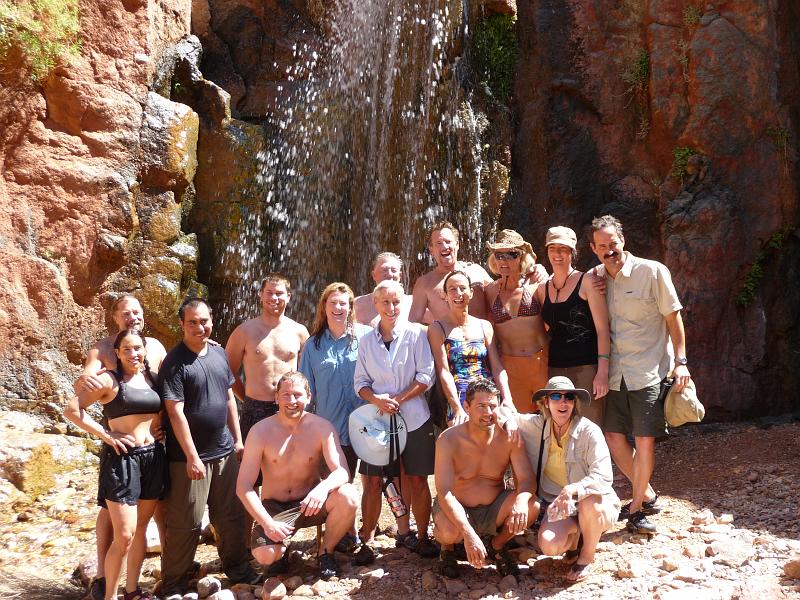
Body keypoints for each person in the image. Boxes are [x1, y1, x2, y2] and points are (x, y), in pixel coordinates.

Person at [590, 215, 691, 534]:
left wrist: (682, 361)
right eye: (602, 246)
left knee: (645, 440)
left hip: (648, 371)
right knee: (613, 437)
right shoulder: (597, 279)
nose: (610, 251)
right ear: (594, 249)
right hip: (617, 372)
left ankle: (634, 508)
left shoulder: (653, 272)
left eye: (613, 244)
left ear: (624, 241)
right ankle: (645, 493)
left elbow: (674, 319)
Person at [158, 298, 260, 597]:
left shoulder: (217, 353)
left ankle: (239, 569)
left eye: (204, 321)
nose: (199, 327)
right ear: (182, 324)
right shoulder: (174, 362)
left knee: (230, 515)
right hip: (189, 458)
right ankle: (175, 582)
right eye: (192, 322)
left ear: (211, 321)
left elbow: (229, 397)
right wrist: (191, 456)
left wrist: (238, 440)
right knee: (186, 522)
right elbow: (174, 412)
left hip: (224, 451)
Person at [70, 295, 167, 600]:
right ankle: (107, 589)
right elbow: (73, 408)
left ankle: (132, 590)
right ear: (117, 352)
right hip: (123, 459)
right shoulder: (108, 376)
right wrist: (106, 435)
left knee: (140, 530)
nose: (134, 353)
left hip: (153, 456)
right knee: (123, 533)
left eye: (137, 349)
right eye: (127, 349)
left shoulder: (152, 372)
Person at [236, 371, 359, 583]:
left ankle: (325, 552)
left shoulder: (322, 427)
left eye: (298, 395)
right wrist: (267, 523)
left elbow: (342, 472)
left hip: (310, 503)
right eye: (285, 395)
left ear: (309, 397)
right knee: (265, 556)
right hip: (275, 507)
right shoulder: (260, 431)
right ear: (276, 398)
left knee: (348, 496)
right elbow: (244, 487)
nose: (292, 401)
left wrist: (322, 488)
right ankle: (280, 552)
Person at [353, 280, 438, 562]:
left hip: (415, 418)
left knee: (418, 479)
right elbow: (360, 383)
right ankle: (366, 541)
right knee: (374, 482)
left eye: (396, 302)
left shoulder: (416, 335)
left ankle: (423, 537)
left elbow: (426, 376)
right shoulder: (366, 341)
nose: (391, 308)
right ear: (375, 304)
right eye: (385, 302)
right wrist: (378, 401)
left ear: (404, 304)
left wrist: (399, 399)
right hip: (378, 420)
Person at [513, 376, 620, 583]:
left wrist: (573, 489)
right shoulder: (536, 425)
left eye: (569, 397)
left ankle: (586, 556)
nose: (563, 402)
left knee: (588, 499)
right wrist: (509, 423)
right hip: (559, 505)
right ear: (546, 402)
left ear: (574, 402)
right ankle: (576, 540)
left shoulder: (589, 431)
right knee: (550, 546)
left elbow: (604, 476)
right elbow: (503, 413)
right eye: (556, 396)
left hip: (596, 504)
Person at [432, 378, 538, 578]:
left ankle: (496, 546)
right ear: (467, 406)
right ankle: (447, 549)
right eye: (481, 406)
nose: (488, 413)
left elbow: (526, 480)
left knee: (532, 506)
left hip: (492, 509)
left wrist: (522, 501)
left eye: (492, 406)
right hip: (457, 506)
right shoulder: (448, 439)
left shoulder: (509, 437)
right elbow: (444, 492)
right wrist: (468, 534)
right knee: (448, 532)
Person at [299, 282, 371, 550]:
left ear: (351, 307)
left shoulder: (366, 337)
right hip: (333, 428)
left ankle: (370, 535)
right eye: (333, 303)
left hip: (368, 423)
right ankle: (344, 535)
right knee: (342, 481)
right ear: (324, 307)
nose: (338, 308)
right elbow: (306, 391)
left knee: (375, 482)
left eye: (344, 303)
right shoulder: (313, 345)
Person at [536, 226, 610, 426]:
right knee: (560, 428)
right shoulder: (542, 289)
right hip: (555, 369)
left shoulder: (587, 282)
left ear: (572, 252)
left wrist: (602, 372)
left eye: (563, 248)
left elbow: (603, 329)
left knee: (591, 428)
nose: (557, 254)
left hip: (586, 368)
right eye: (553, 248)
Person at [225, 274, 310, 444]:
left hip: (289, 406)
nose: (274, 298)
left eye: (279, 293)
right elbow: (227, 371)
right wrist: (247, 397)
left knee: (289, 463)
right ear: (261, 295)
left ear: (288, 296)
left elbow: (309, 373)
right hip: (254, 407)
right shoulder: (244, 331)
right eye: (269, 293)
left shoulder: (299, 332)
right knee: (253, 463)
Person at [427, 269, 513, 426]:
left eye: (462, 288)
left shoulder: (484, 326)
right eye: (452, 289)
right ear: (445, 295)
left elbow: (497, 367)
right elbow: (444, 372)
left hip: (488, 393)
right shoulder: (437, 328)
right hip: (460, 395)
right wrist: (457, 408)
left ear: (471, 292)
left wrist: (507, 399)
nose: (458, 293)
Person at [483, 230, 550, 413]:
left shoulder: (537, 284)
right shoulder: (489, 291)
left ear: (522, 256)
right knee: (519, 425)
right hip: (510, 369)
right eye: (499, 255)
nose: (504, 261)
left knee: (552, 421)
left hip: (540, 364)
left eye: (512, 254)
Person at [409, 222, 495, 322]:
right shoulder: (424, 283)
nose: (444, 247)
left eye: (448, 241)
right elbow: (413, 323)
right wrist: (434, 331)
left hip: (483, 336)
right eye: (438, 243)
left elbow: (500, 297)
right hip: (447, 337)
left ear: (457, 244)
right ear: (431, 249)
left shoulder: (476, 271)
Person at [354, 252, 414, 325]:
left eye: (394, 270)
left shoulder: (414, 302)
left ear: (400, 275)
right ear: (374, 275)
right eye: (384, 270)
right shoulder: (357, 304)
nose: (389, 274)